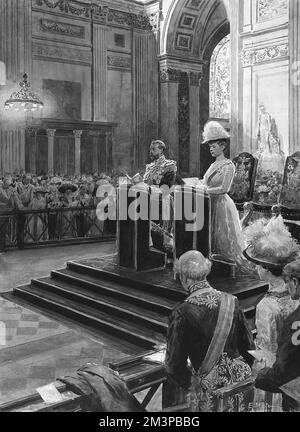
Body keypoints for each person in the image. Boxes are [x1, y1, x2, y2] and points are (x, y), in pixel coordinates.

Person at [164, 250, 255, 412]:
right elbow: (248, 347)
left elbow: (173, 366)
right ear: (206, 272)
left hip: (211, 391)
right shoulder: (232, 301)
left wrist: (195, 385)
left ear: (183, 278)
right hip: (241, 383)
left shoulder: (181, 312)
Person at [243, 216, 300, 411]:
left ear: (266, 269)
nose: (255, 268)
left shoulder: (266, 305)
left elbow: (266, 350)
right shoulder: (294, 293)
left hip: (276, 375)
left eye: (257, 264)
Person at [200, 121, 251, 272]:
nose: (211, 149)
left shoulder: (229, 166)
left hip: (221, 204)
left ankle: (226, 267)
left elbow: (224, 188)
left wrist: (205, 190)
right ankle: (213, 265)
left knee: (223, 236)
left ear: (222, 146)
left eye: (214, 146)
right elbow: (205, 182)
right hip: (210, 203)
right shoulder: (212, 165)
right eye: (210, 147)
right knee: (210, 235)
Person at [254, 259, 300, 411]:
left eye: (288, 282)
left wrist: (259, 377)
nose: (286, 287)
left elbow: (283, 370)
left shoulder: (294, 321)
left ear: (295, 281)